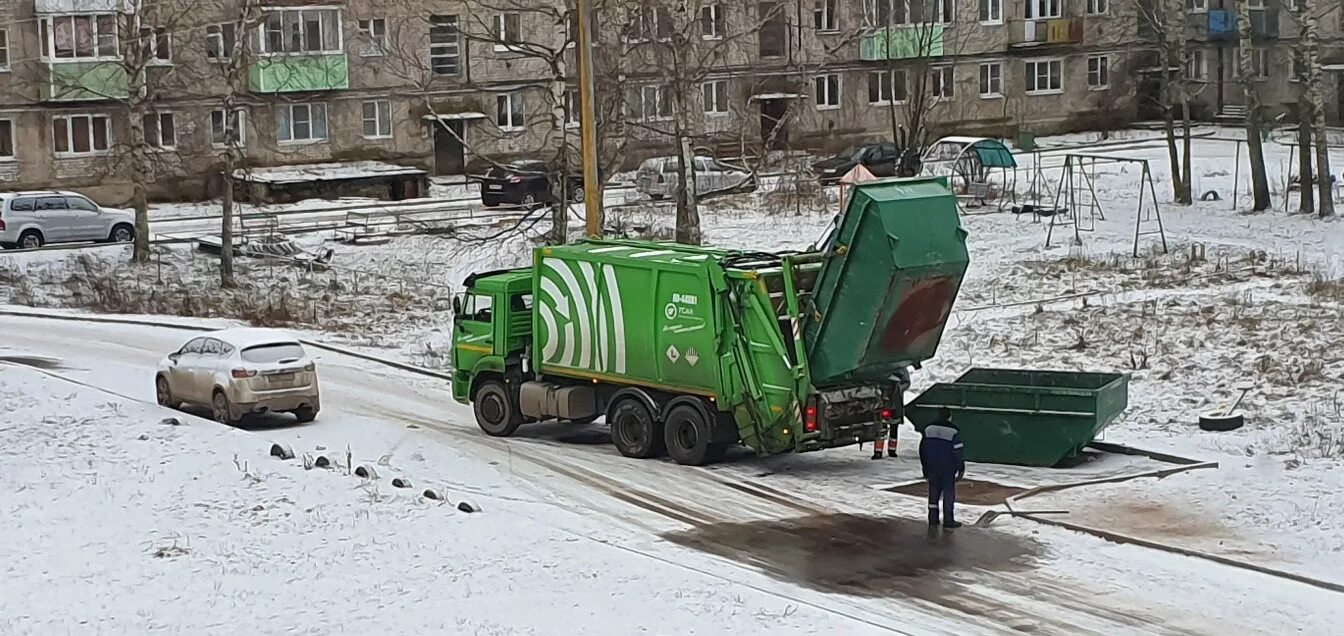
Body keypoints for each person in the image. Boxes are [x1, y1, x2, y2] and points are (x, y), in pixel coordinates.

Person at [919, 407, 965, 529]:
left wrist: (925, 467)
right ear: (949, 416)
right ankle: (948, 520)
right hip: (948, 468)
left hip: (932, 466)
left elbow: (922, 449)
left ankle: (933, 518)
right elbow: (958, 451)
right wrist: (961, 468)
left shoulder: (928, 429)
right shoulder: (953, 431)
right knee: (948, 493)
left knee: (933, 493)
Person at [872, 368, 911, 460]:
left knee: (894, 427)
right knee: (881, 427)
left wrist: (898, 388)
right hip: (884, 402)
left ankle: (892, 450)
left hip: (895, 402)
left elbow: (907, 383)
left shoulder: (902, 369)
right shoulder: (882, 368)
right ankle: (878, 451)